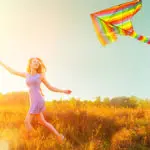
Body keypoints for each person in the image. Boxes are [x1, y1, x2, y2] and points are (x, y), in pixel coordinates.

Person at [0, 57, 72, 144]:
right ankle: (59, 137)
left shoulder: (41, 75)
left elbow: (50, 87)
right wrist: (1, 63)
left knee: (26, 122)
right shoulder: (26, 74)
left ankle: (38, 139)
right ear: (30, 64)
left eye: (38, 62)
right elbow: (12, 71)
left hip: (38, 100)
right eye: (34, 61)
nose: (36, 63)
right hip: (33, 101)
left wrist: (63, 91)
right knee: (42, 121)